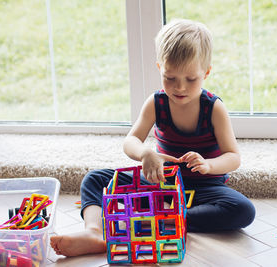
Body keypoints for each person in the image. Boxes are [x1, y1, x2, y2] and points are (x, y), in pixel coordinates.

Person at [50, 19, 255, 257]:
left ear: (206, 72)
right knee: (95, 179)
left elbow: (233, 157)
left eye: (191, 79)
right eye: (170, 78)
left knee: (242, 210)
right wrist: (146, 153)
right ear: (160, 68)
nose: (180, 88)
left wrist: (209, 165)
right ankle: (95, 231)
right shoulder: (156, 103)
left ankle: (157, 223)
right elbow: (131, 141)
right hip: (160, 183)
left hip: (204, 187)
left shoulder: (214, 108)